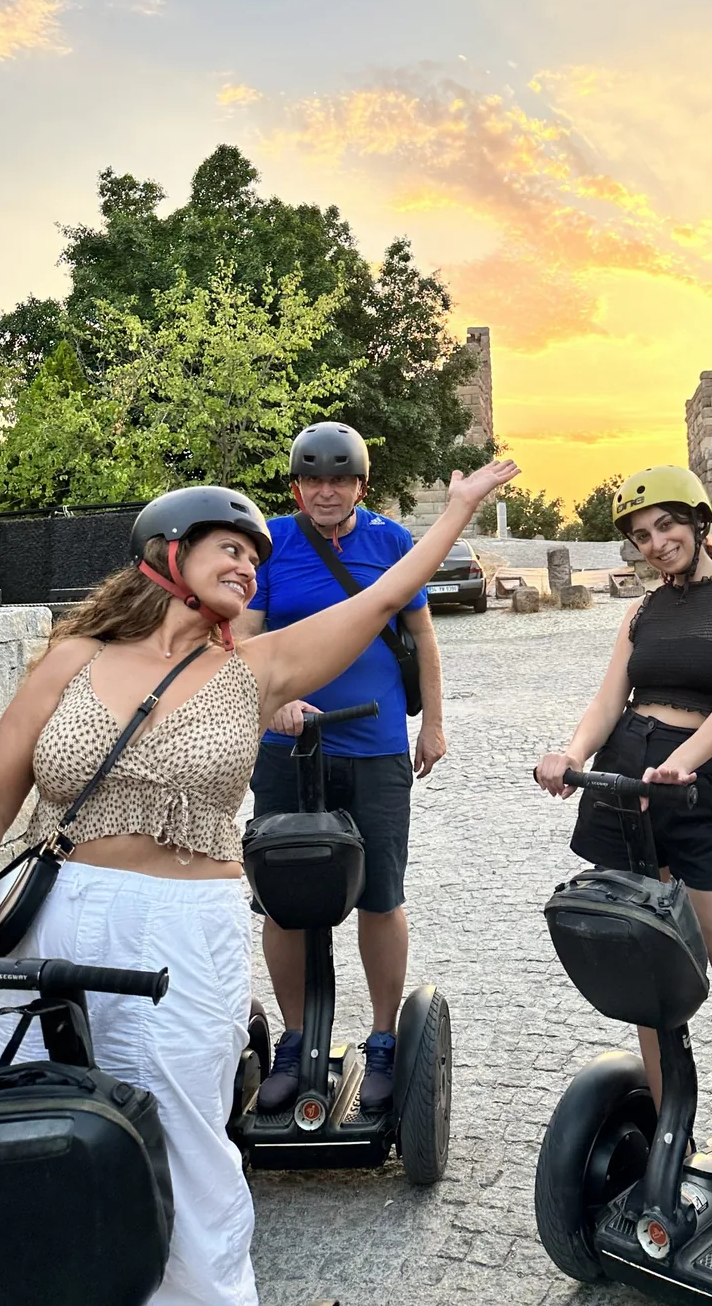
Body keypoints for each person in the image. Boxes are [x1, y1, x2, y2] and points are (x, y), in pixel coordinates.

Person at [0, 460, 517, 1306]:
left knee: (189, 1141)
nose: (249, 568)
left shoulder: (252, 670)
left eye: (256, 558)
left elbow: (380, 601)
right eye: (230, 548)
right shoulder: (73, 658)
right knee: (31, 1128)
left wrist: (459, 511)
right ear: (166, 553)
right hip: (51, 911)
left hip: (184, 928)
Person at [533, 465, 712, 1151]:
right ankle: (669, 1148)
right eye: (641, 536)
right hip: (629, 782)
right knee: (648, 987)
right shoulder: (641, 610)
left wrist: (686, 759)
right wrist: (572, 754)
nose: (656, 543)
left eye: (666, 526)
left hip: (698, 788)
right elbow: (607, 701)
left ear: (698, 521)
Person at [233, 422, 446, 1115]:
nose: (326, 492)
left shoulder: (390, 542)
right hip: (286, 748)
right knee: (283, 897)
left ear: (361, 484)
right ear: (297, 486)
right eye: (313, 481)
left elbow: (420, 635)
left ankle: (383, 1039)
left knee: (380, 892)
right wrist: (273, 700)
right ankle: (296, 1040)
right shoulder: (272, 543)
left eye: (340, 480)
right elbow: (243, 637)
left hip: (375, 744)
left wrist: (433, 724)